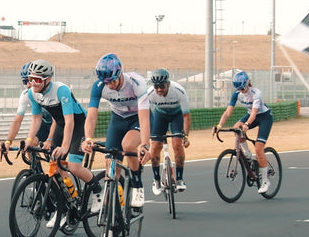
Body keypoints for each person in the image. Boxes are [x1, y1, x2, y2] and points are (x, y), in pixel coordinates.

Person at [80, 53, 152, 207]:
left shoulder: (136, 83)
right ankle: (113, 208)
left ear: (120, 74)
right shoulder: (99, 86)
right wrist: (88, 138)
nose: (110, 85)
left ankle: (137, 186)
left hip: (137, 118)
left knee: (128, 145)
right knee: (110, 163)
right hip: (118, 119)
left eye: (112, 81)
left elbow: (144, 117)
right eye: (106, 82)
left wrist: (145, 145)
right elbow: (91, 116)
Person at [22, 59, 94, 195]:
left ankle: (97, 191)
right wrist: (29, 140)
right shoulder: (32, 93)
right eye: (30, 79)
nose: (33, 83)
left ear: (47, 79)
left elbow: (70, 121)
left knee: (74, 167)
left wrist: (65, 147)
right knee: (54, 164)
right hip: (61, 125)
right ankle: (70, 196)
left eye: (37, 80)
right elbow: (36, 119)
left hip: (78, 124)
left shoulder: (61, 90)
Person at [212, 71, 274, 195]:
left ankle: (265, 181)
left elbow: (254, 113)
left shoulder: (256, 93)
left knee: (259, 148)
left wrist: (247, 124)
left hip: (264, 117)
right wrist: (219, 125)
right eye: (239, 89)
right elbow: (228, 112)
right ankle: (247, 154)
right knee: (236, 128)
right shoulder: (237, 94)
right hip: (251, 114)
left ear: (247, 84)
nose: (241, 91)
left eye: (243, 88)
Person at [143, 68, 193, 194]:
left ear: (168, 84)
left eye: (162, 86)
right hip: (160, 115)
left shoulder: (179, 91)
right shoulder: (150, 94)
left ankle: (180, 179)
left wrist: (185, 136)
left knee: (177, 144)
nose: (159, 89)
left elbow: (186, 116)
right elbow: (144, 115)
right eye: (156, 86)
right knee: (155, 146)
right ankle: (156, 180)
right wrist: (146, 136)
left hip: (177, 115)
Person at [3, 62, 53, 155]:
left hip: (58, 124)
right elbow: (17, 121)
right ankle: (37, 170)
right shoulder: (26, 95)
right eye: (25, 81)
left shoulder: (51, 92)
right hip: (45, 123)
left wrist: (50, 140)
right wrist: (8, 141)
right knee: (29, 146)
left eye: (31, 80)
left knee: (54, 155)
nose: (29, 85)